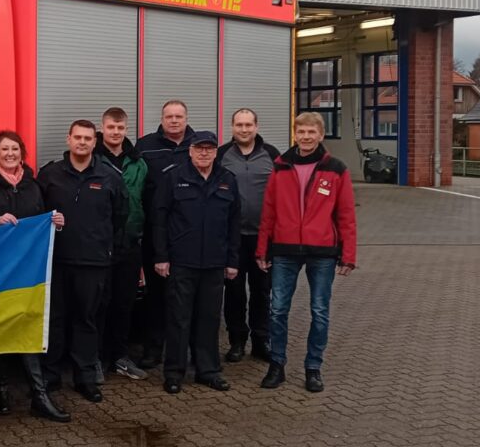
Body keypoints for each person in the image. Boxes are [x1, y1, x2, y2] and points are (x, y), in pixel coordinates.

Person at [0, 130, 70, 423]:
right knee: (0, 329)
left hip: (29, 272)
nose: (10, 154)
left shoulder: (33, 185)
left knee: (28, 329)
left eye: (15, 149)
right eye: (4, 149)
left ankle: (39, 396)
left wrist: (57, 222)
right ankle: (1, 389)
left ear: (22, 153)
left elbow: (43, 218)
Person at [256, 112, 357, 393]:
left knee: (320, 311)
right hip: (284, 251)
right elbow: (269, 212)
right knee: (277, 310)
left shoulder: (336, 169)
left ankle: (313, 368)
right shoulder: (280, 167)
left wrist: (348, 255)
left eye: (312, 132)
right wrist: (262, 249)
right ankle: (277, 365)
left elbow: (346, 215)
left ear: (321, 135)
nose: (306, 137)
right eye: (301, 132)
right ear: (295, 134)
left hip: (322, 252)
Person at [37, 120, 127, 404]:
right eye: (78, 137)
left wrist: (101, 245)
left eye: (88, 138)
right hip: (57, 262)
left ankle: (85, 378)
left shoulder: (109, 176)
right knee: (56, 321)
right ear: (68, 139)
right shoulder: (50, 174)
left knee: (87, 322)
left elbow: (120, 216)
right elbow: (38, 214)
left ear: (94, 141)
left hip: (93, 263)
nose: (83, 142)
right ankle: (50, 377)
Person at [152, 130, 240, 394]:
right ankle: (174, 373)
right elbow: (159, 220)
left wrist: (232, 260)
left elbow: (234, 223)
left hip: (214, 264)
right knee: (179, 319)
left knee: (209, 318)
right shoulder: (173, 178)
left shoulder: (227, 180)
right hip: (182, 262)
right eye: (199, 148)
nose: (204, 153)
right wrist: (161, 256)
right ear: (190, 151)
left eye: (209, 149)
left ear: (216, 152)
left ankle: (208, 370)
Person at [134, 100, 196, 369]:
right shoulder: (145, 146)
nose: (174, 121)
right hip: (153, 230)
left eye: (178, 116)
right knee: (156, 295)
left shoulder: (198, 144)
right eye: (169, 116)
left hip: (187, 233)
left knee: (185, 295)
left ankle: (185, 351)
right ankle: (153, 348)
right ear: (161, 118)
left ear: (186, 118)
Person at [217, 108, 280, 363]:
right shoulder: (221, 155)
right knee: (233, 292)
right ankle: (237, 340)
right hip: (231, 237)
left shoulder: (273, 155)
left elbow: (282, 195)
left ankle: (261, 340)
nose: (244, 129)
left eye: (248, 125)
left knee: (262, 291)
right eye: (239, 125)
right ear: (232, 127)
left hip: (262, 237)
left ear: (256, 126)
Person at [94, 107, 149, 382]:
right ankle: (97, 358)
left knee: (124, 303)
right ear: (102, 128)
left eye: (120, 128)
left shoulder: (138, 162)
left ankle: (119, 356)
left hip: (130, 243)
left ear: (126, 130)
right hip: (100, 245)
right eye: (111, 127)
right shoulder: (91, 158)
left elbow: (146, 200)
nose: (115, 133)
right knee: (99, 302)